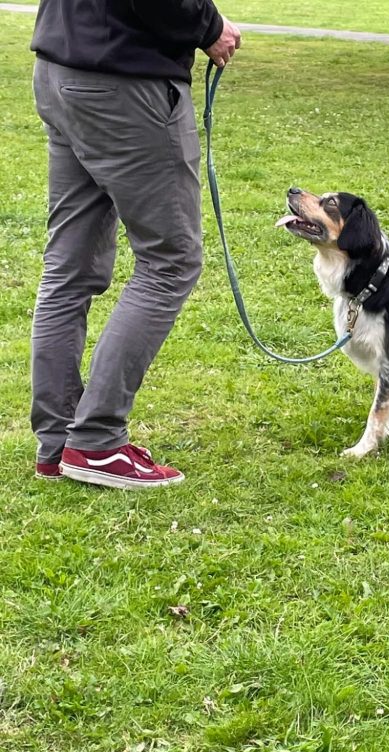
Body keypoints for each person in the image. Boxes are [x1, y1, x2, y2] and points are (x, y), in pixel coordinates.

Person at [29, 0, 241, 489]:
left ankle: (60, 443)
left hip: (61, 69)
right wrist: (207, 25)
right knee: (171, 262)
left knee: (69, 266)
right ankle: (96, 443)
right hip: (125, 84)